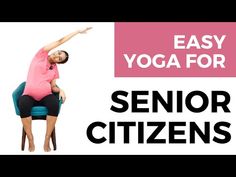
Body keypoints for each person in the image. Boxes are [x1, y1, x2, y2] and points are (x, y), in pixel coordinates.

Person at [18, 27, 92, 152]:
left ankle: (47, 139)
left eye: (60, 58)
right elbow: (60, 41)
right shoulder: (41, 55)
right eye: (58, 53)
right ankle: (30, 138)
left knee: (54, 104)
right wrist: (77, 32)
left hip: (46, 94)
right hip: (29, 94)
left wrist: (61, 90)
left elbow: (53, 87)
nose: (57, 56)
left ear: (59, 62)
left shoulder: (54, 69)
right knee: (23, 103)